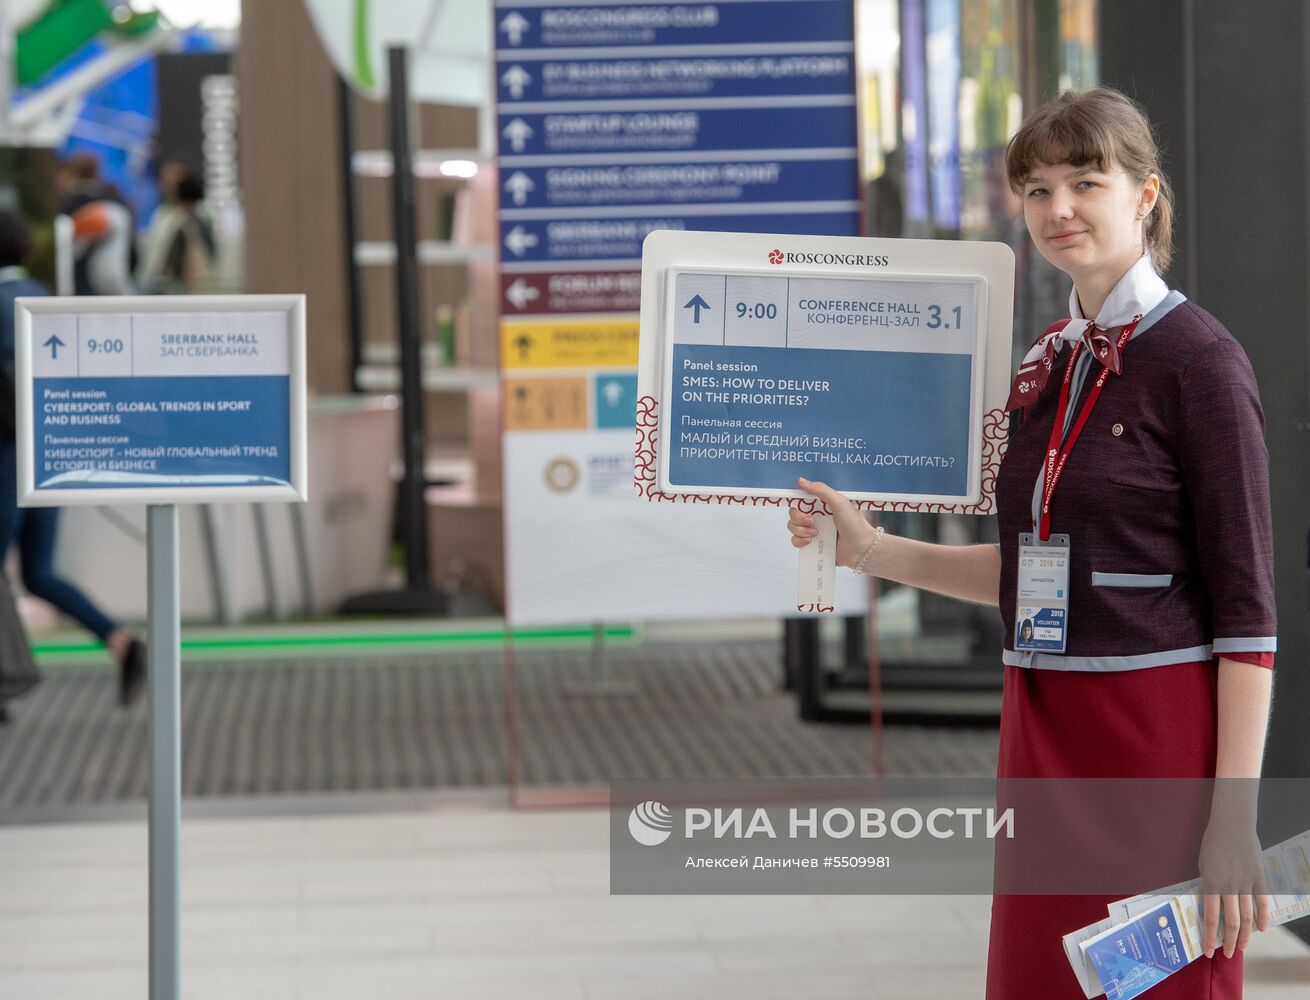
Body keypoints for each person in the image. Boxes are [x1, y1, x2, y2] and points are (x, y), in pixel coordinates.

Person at [787, 88, 1275, 999]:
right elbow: (1032, 566)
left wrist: (1232, 817)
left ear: (1146, 195)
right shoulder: (1050, 358)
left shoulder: (1202, 365)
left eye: (1086, 182)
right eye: (1037, 187)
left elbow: (1249, 617)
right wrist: (871, 549)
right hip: (1043, 727)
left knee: (1158, 983)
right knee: (1041, 979)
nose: (1058, 210)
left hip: (1153, 744)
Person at [0, 208, 145, 706]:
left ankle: (5, 680)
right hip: (47, 454)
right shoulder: (45, 300)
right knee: (38, 571)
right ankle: (121, 642)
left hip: (4, 456)